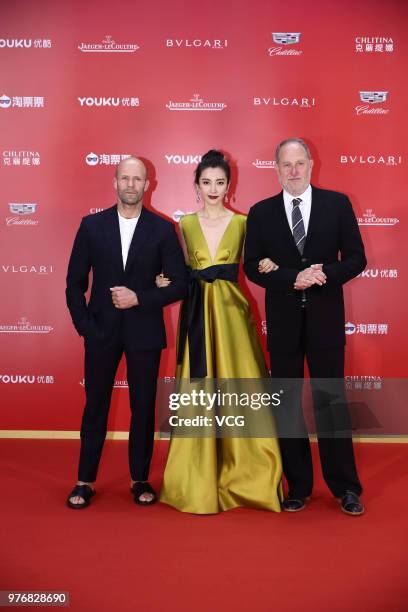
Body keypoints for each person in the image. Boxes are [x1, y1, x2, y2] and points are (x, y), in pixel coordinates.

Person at [244, 138, 367, 516]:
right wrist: (290, 278)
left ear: (311, 164)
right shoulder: (261, 212)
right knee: (286, 406)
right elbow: (251, 266)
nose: (293, 171)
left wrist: (322, 275)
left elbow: (357, 259)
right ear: (276, 168)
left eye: (299, 163)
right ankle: (297, 485)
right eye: (286, 164)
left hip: (325, 321)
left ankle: (345, 487)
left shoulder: (337, 204)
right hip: (282, 324)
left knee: (331, 403)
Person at [157, 150, 283, 514]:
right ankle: (193, 478)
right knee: (199, 390)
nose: (214, 189)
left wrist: (271, 262)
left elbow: (263, 257)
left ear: (230, 185)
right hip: (197, 312)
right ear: (196, 185)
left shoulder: (244, 223)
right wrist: (162, 279)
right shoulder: (184, 226)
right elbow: (177, 271)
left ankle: (250, 476)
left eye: (221, 182)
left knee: (242, 385)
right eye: (207, 182)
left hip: (231, 313)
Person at [65, 156, 188, 509]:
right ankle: (84, 480)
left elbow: (179, 284)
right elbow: (74, 284)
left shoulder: (164, 229)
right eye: (125, 178)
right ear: (115, 182)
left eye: (138, 179)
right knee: (96, 406)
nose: (131, 185)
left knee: (143, 407)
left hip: (145, 331)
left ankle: (140, 479)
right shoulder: (92, 226)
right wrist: (85, 327)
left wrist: (140, 298)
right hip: (100, 331)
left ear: (148, 185)